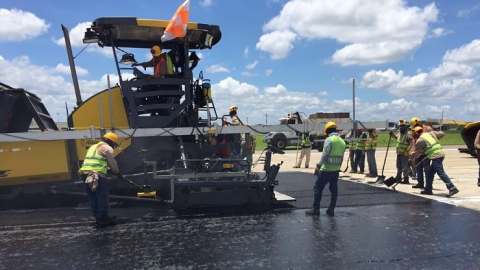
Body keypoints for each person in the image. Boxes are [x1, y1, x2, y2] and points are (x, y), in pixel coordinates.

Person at [79, 132, 122, 226]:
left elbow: (95, 161)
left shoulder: (92, 147)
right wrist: (117, 172)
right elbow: (113, 163)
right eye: (114, 145)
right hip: (97, 175)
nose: (114, 147)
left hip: (85, 174)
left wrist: (107, 169)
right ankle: (104, 217)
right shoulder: (107, 148)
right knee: (102, 195)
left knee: (92, 197)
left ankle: (98, 217)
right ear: (112, 142)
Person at [305, 121, 346, 216]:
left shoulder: (329, 140)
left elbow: (325, 154)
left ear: (327, 131)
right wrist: (338, 167)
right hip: (335, 170)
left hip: (326, 169)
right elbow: (342, 157)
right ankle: (331, 209)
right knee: (334, 189)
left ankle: (316, 209)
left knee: (318, 188)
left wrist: (318, 166)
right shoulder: (342, 141)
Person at [410, 129, 460, 197]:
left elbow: (414, 153)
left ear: (416, 134)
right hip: (440, 153)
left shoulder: (420, 140)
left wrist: (410, 161)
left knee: (440, 172)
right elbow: (442, 133)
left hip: (436, 156)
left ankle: (452, 188)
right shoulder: (431, 134)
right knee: (430, 174)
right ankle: (428, 189)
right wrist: (435, 140)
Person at [409, 117, 432, 189]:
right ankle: (420, 183)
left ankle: (428, 185)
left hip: (426, 153)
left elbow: (433, 138)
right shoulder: (414, 130)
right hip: (418, 153)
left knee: (427, 170)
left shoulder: (427, 129)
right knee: (418, 169)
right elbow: (414, 141)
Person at [389, 119, 414, 184]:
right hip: (399, 153)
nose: (401, 127)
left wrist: (407, 151)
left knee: (404, 167)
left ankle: (406, 179)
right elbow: (396, 138)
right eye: (400, 126)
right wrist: (392, 135)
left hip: (404, 154)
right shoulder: (400, 133)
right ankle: (398, 178)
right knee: (398, 166)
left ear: (406, 126)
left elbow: (411, 143)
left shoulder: (408, 134)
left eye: (402, 126)